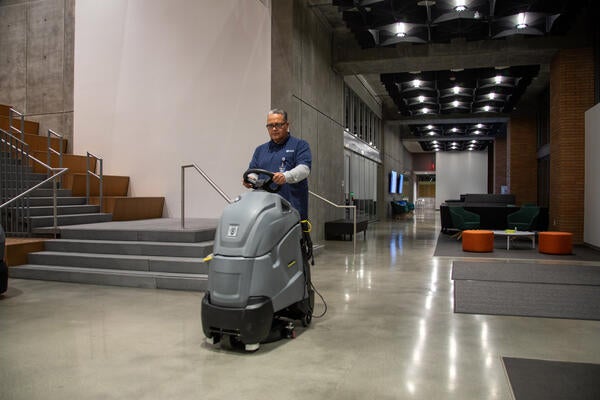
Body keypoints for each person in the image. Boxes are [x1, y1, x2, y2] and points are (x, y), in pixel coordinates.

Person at [244, 109, 312, 221]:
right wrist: (250, 180)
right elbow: (253, 172)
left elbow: (304, 169)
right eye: (270, 126)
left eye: (278, 125)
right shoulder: (260, 150)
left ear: (287, 125)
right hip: (265, 212)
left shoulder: (300, 145)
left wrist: (285, 177)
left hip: (292, 210)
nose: (274, 129)